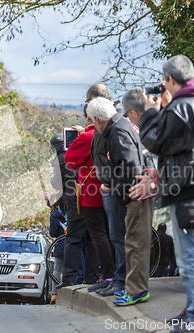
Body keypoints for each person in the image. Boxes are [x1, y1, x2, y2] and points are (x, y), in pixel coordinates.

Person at [139, 55, 194, 332]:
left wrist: (151, 112)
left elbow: (155, 141)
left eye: (164, 81)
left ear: (171, 80)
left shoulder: (181, 107)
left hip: (187, 191)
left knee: (190, 258)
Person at [87, 96, 154, 306]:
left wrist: (122, 195)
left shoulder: (117, 131)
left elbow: (129, 166)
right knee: (132, 241)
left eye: (92, 121)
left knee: (131, 242)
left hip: (133, 193)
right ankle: (131, 286)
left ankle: (130, 287)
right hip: (138, 189)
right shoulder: (124, 125)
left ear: (97, 119)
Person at [64, 105, 115, 293]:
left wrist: (82, 135)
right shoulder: (113, 132)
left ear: (89, 118)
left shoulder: (87, 136)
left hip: (91, 193)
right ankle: (97, 275)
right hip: (111, 191)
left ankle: (71, 278)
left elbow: (70, 161)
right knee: (106, 236)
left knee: (84, 236)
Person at [86, 83, 127, 296]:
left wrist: (110, 182)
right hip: (108, 186)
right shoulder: (107, 122)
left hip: (114, 188)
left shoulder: (116, 123)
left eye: (87, 102)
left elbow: (122, 160)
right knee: (114, 235)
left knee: (118, 235)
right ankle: (114, 278)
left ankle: (119, 280)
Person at [50, 134, 99, 289]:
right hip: (91, 198)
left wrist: (52, 176)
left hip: (74, 203)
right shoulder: (86, 151)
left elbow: (57, 183)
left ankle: (69, 278)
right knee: (91, 240)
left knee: (72, 239)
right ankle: (91, 277)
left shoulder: (60, 158)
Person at [48, 200, 66, 304]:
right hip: (72, 244)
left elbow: (52, 233)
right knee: (67, 269)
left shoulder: (54, 216)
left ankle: (54, 292)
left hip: (60, 244)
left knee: (57, 269)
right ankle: (65, 290)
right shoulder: (69, 214)